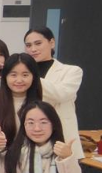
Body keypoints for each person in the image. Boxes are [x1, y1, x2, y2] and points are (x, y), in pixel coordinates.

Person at [0, 54, 43, 173]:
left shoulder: (42, 106)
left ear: (34, 77)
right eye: (13, 75)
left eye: (25, 75)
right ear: (5, 77)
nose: (19, 80)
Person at [24, 27, 84, 159]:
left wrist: (30, 76)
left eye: (38, 43)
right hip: (29, 138)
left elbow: (61, 94)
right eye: (28, 45)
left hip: (61, 139)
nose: (33, 49)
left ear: (52, 43)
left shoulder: (72, 71)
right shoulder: (22, 73)